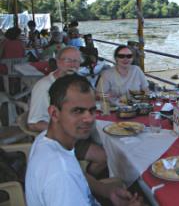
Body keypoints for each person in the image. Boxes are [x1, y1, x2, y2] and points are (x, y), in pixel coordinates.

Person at [25, 74, 143, 206]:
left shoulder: (46, 139)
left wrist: (106, 190)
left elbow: (78, 173)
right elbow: (67, 174)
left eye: (92, 110)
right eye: (77, 111)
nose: (89, 119)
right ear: (54, 113)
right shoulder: (61, 176)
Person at [27, 46, 107, 176]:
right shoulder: (44, 87)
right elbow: (33, 123)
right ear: (58, 62)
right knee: (104, 156)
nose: (72, 64)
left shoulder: (77, 80)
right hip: (61, 139)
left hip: (80, 132)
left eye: (76, 61)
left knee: (109, 142)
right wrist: (65, 129)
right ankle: (87, 183)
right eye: (67, 60)